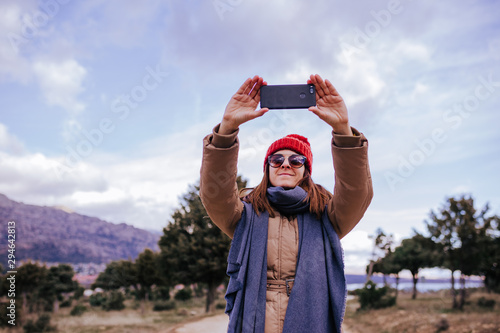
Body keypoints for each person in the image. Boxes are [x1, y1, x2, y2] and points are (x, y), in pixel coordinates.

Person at [200, 74, 373, 333]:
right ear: (267, 168)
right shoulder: (245, 214)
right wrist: (226, 130)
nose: (285, 164)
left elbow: (356, 193)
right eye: (276, 159)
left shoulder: (327, 216)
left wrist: (343, 131)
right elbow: (215, 194)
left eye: (296, 160)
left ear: (306, 170)